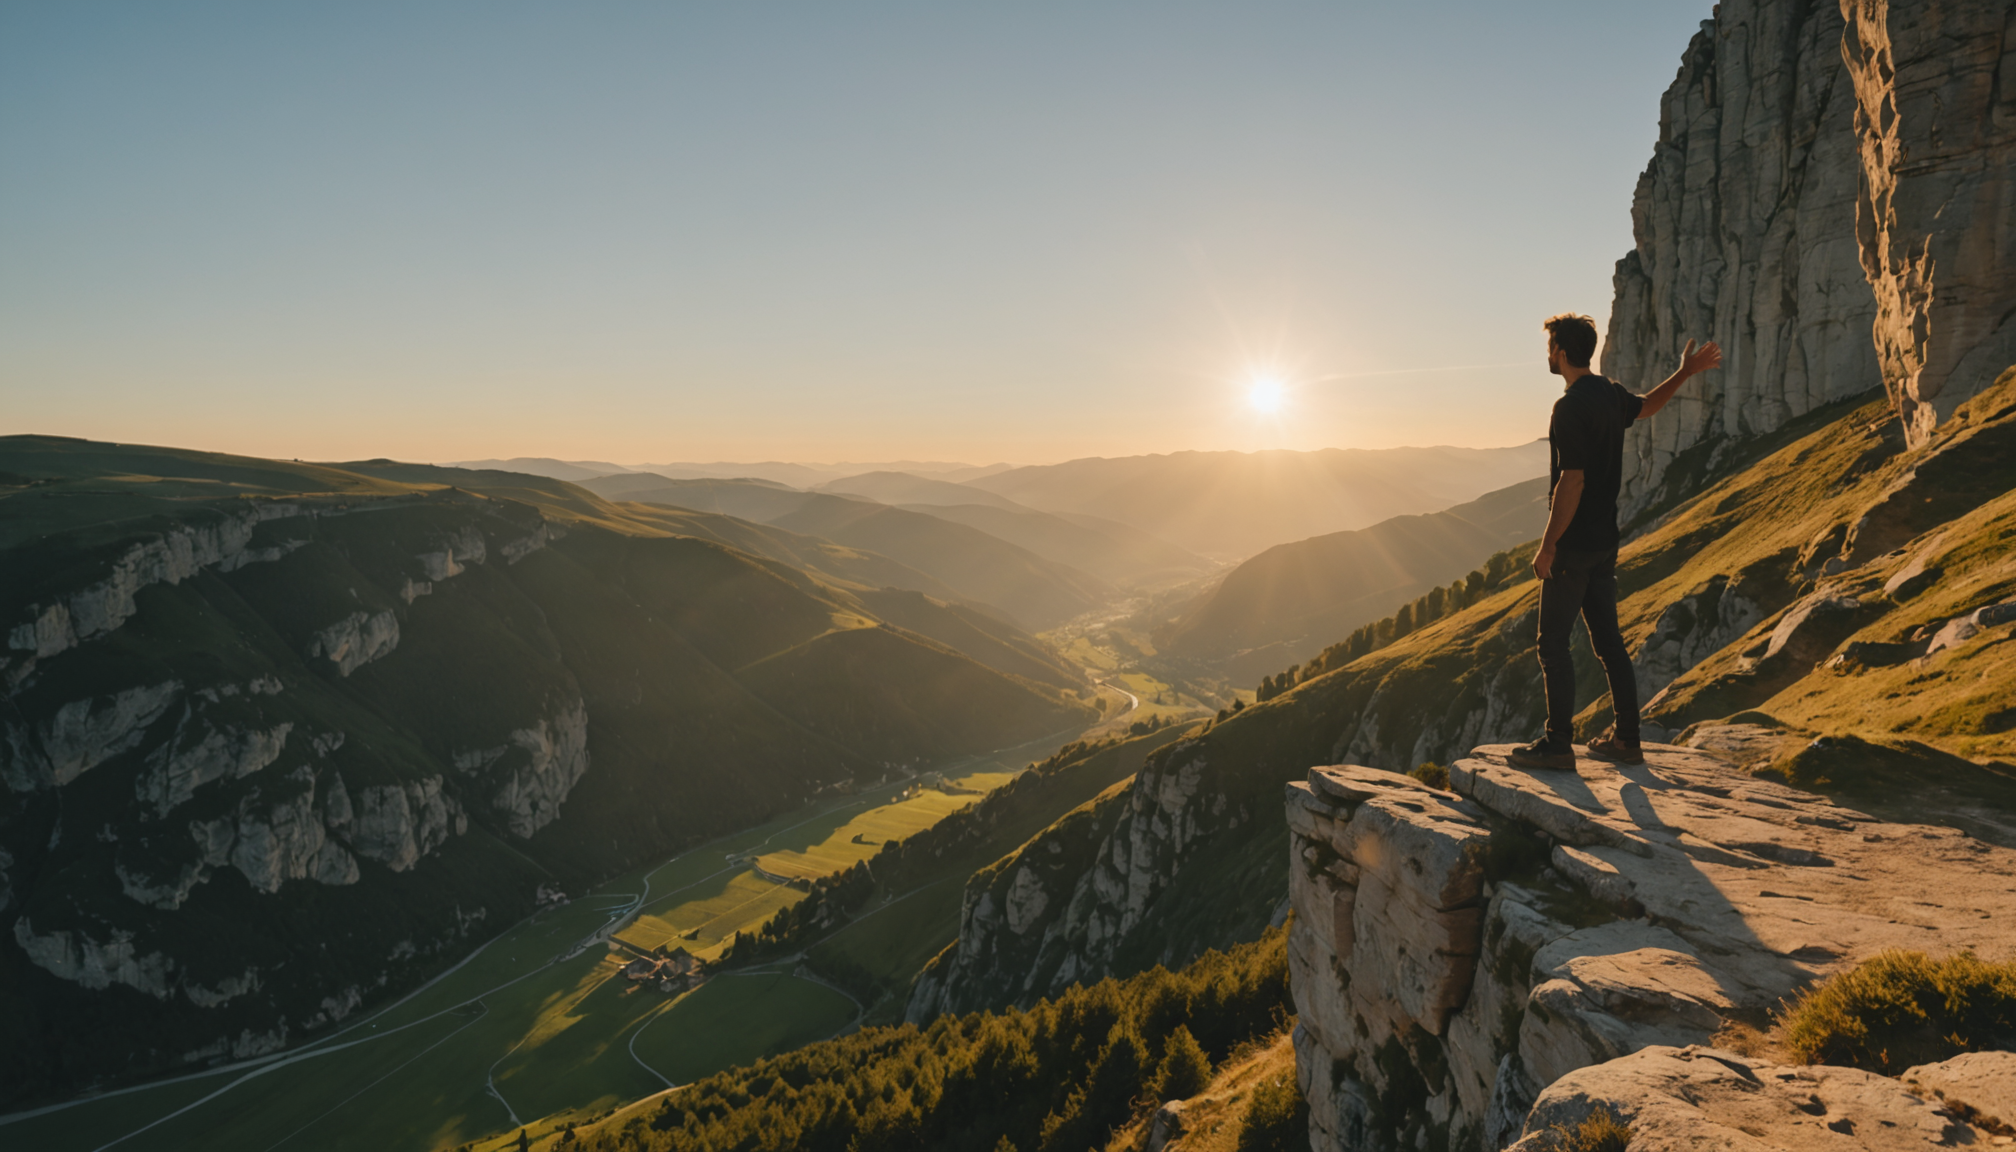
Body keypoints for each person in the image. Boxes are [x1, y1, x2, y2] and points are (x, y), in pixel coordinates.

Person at [1507, 314, 1720, 771]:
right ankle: (1627, 739)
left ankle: (1558, 745)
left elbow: (1573, 480)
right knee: (1609, 643)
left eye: (1549, 348)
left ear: (1561, 351)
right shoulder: (1608, 391)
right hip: (1606, 540)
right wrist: (1684, 372)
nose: (1548, 355)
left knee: (1552, 644)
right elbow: (1647, 407)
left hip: (1575, 545)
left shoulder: (1568, 407)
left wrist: (1547, 546)